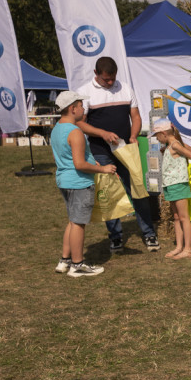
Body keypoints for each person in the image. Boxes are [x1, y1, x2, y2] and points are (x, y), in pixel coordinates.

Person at [76, 56, 159, 253]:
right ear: (96, 74)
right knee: (109, 192)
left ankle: (149, 233)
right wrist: (103, 134)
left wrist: (133, 135)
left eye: (113, 78)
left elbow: (136, 117)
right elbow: (80, 122)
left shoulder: (126, 88)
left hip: (125, 148)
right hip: (100, 150)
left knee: (137, 188)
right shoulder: (85, 92)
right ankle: (115, 237)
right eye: (106, 80)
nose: (111, 83)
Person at [49, 91, 117, 277]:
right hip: (79, 182)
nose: (83, 108)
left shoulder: (57, 129)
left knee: (72, 221)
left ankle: (65, 260)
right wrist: (103, 169)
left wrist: (90, 161)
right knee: (79, 223)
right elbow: (79, 164)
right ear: (72, 109)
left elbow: (70, 157)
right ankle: (77, 264)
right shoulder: (75, 132)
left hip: (64, 180)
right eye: (80, 105)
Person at [152, 118, 191, 259]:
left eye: (157, 136)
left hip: (178, 184)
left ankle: (188, 248)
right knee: (176, 217)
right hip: (170, 185)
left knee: (184, 217)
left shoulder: (174, 145)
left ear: (163, 133)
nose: (157, 139)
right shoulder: (171, 145)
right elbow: (189, 149)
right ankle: (179, 246)